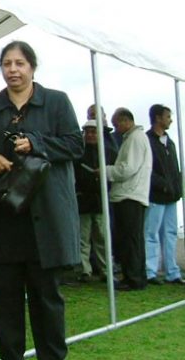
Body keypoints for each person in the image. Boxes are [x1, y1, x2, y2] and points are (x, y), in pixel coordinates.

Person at [0, 41, 83, 360]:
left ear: (33, 67)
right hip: (2, 217)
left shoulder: (56, 101)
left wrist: (36, 142)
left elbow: (75, 145)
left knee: (48, 298)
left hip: (43, 218)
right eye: (7, 63)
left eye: (20, 63)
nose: (13, 69)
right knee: (6, 299)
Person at [107, 107, 152, 291]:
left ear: (126, 121)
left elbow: (128, 168)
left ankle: (132, 278)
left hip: (129, 194)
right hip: (134, 194)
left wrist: (106, 170)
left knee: (129, 240)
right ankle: (137, 277)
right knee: (134, 239)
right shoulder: (137, 138)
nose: (116, 129)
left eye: (117, 125)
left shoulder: (134, 139)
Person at [73, 119, 117, 283]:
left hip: (101, 201)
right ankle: (84, 271)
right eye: (88, 132)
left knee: (103, 238)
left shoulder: (109, 152)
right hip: (83, 200)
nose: (90, 135)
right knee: (83, 239)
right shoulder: (78, 152)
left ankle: (106, 270)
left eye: (94, 131)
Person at [144, 104, 184, 285]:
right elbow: (146, 169)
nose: (170, 120)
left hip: (171, 197)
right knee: (151, 233)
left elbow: (174, 169)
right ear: (158, 118)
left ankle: (172, 272)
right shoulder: (147, 140)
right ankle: (149, 271)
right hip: (155, 196)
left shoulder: (170, 142)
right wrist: (163, 185)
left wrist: (176, 187)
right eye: (168, 116)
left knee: (170, 233)